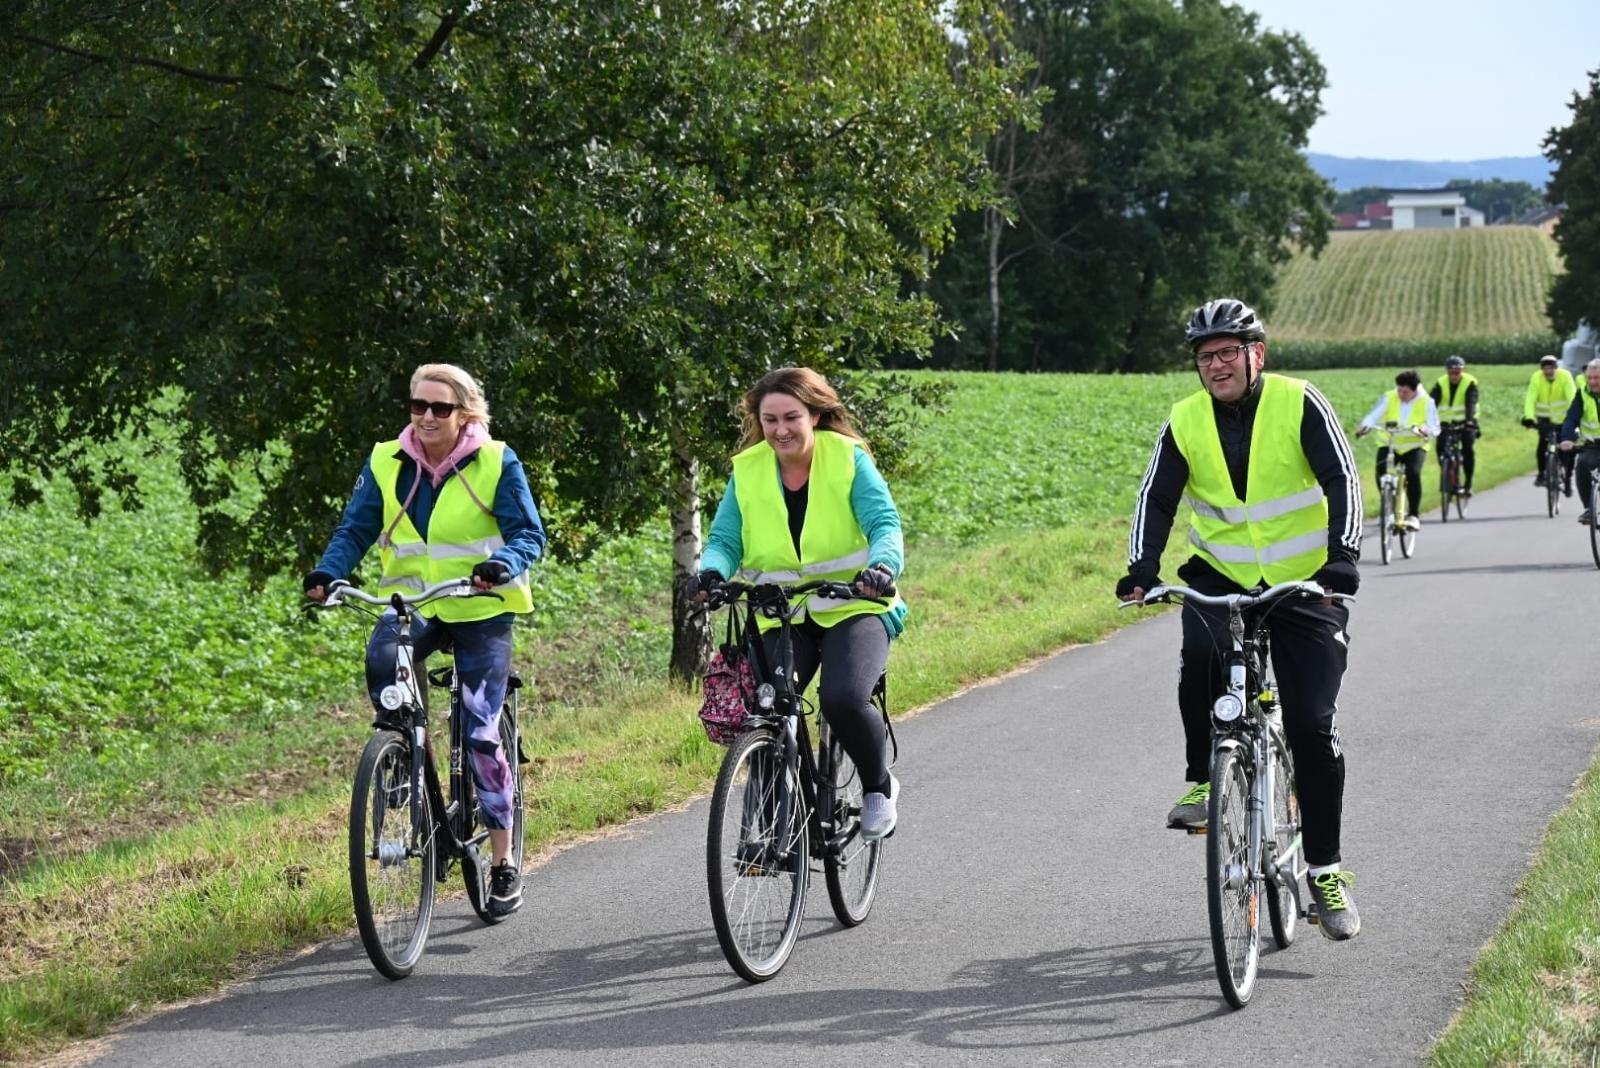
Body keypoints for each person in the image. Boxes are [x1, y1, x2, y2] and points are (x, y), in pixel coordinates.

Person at [1117, 297, 1364, 940]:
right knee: (1199, 659)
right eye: (1206, 357)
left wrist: (1343, 557)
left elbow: (1342, 477)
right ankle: (1204, 780)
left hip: (1306, 580)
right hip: (1221, 574)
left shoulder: (1299, 401)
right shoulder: (1185, 419)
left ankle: (1325, 871)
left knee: (1311, 723)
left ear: (1257, 354)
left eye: (1228, 352)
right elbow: (1157, 495)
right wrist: (1142, 567)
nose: (1217, 365)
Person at [304, 364, 545, 919]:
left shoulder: (496, 461)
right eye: (418, 406)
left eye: (440, 408)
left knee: (481, 729)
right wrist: (327, 572)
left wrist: (503, 564)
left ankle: (504, 860)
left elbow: (530, 534)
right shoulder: (385, 461)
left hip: (481, 604)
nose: (427, 417)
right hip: (412, 603)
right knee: (383, 663)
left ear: (465, 413)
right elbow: (355, 530)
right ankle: (404, 764)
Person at [688, 367, 907, 840]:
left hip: (854, 605)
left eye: (791, 417)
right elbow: (726, 538)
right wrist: (712, 572)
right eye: (770, 420)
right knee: (768, 709)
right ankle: (769, 828)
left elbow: (884, 524)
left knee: (843, 699)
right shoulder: (747, 471)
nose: (780, 429)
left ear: (816, 415)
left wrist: (883, 568)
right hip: (781, 611)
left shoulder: (847, 459)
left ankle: (878, 786)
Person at [1355, 369, 1439, 530]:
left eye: (1405, 391)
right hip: (1390, 443)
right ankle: (1388, 507)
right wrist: (1364, 427)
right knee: (1381, 469)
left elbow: (1435, 427)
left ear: (1415, 390)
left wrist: (1424, 430)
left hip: (1414, 446)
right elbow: (1373, 416)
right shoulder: (1389, 397)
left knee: (1413, 473)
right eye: (1399, 389)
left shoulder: (1427, 402)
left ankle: (1414, 515)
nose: (1401, 394)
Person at [1524, 354, 1577, 496]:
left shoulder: (1565, 376)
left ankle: (1567, 480)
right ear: (1541, 369)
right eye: (1545, 369)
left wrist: (1573, 417)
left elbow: (1572, 397)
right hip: (1545, 420)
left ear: (1556, 368)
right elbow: (1530, 398)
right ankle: (1541, 474)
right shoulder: (1537, 377)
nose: (1548, 372)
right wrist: (1528, 417)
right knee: (1542, 445)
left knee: (1567, 449)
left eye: (1551, 368)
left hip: (1564, 419)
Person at [1428, 355, 1479, 495]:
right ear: (1446, 371)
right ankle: (1448, 475)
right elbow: (1431, 403)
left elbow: (1471, 403)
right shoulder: (1441, 383)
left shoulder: (1470, 383)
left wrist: (1469, 421)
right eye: (1451, 372)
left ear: (1463, 371)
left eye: (1457, 372)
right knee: (1440, 449)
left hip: (1465, 423)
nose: (1454, 375)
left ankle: (1468, 483)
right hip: (1445, 424)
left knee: (1468, 450)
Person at [1557, 358, 1600, 525]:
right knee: (1581, 464)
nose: (1593, 381)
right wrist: (1566, 438)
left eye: (1597, 378)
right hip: (1592, 445)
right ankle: (1589, 509)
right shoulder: (1582, 394)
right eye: (1590, 378)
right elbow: (1571, 419)